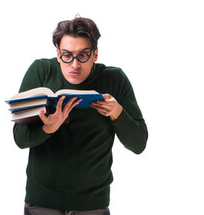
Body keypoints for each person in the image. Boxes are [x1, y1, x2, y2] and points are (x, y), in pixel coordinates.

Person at [13, 17, 148, 214]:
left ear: (95, 54)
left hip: (92, 204)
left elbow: (139, 144)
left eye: (83, 55)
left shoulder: (114, 79)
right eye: (67, 55)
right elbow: (20, 139)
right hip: (42, 202)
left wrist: (117, 113)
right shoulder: (41, 71)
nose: (74, 64)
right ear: (58, 54)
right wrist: (48, 128)